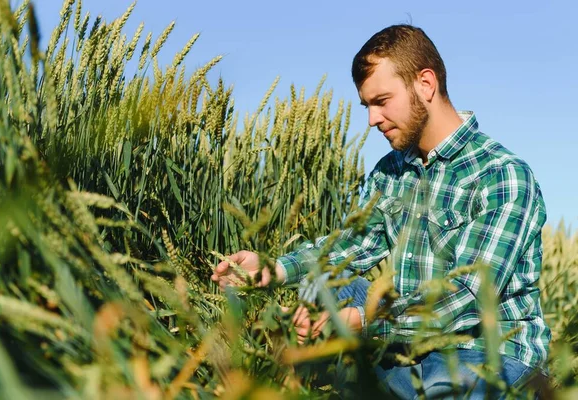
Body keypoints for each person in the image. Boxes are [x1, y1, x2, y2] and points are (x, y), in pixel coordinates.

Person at [212, 24, 550, 398]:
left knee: (432, 382)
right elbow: (346, 249)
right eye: (366, 105)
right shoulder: (391, 171)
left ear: (425, 84)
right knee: (324, 285)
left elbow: (466, 297)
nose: (371, 120)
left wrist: (360, 321)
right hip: (410, 343)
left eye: (381, 101)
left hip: (486, 351)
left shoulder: (501, 174)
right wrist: (273, 269)